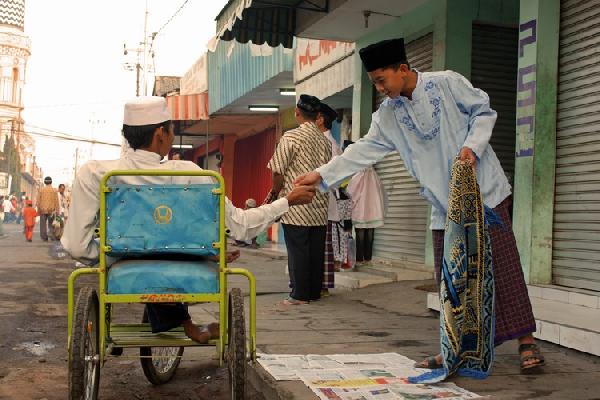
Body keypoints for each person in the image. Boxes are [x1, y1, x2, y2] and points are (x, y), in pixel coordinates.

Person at [294, 38, 544, 372]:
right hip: (444, 207)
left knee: (502, 267)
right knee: (452, 282)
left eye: (383, 80)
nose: (380, 88)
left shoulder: (447, 83)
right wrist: (321, 176)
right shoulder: (388, 116)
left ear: (403, 69)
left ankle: (526, 342)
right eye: (374, 83)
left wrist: (472, 146)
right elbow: (363, 150)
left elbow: (483, 111)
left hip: (484, 193)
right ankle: (455, 349)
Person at [62, 96, 317, 343]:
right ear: (160, 133)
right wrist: (287, 201)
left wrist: (121, 254)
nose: (171, 136)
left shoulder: (96, 173)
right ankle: (190, 315)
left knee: (151, 251)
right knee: (173, 251)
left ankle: (186, 319)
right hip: (181, 260)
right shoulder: (192, 174)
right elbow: (242, 226)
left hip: (123, 268)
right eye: (171, 130)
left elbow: (77, 246)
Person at [266, 94, 332, 305]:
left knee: (298, 250)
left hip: (297, 204)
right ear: (317, 115)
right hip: (320, 204)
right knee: (315, 250)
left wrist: (275, 194)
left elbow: (278, 171)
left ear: (297, 113)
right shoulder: (325, 141)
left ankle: (300, 295)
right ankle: (313, 292)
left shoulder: (291, 137)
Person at [315, 102, 341, 296]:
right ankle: (319, 284)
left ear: (321, 120)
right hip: (320, 203)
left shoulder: (328, 144)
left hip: (322, 202)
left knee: (321, 247)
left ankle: (321, 285)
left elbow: (332, 176)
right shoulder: (328, 142)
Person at [345, 140, 386, 265]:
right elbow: (380, 191)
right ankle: (368, 259)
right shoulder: (373, 173)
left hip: (361, 208)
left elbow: (352, 192)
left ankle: (359, 259)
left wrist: (349, 203)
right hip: (373, 208)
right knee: (370, 232)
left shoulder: (359, 173)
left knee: (361, 232)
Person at [37, 177, 59, 241]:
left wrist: (38, 209)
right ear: (51, 182)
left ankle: (44, 237)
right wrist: (57, 211)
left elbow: (38, 200)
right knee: (51, 224)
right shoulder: (54, 190)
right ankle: (52, 236)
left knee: (43, 224)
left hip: (43, 210)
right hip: (51, 210)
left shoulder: (41, 190)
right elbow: (56, 201)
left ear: (45, 182)